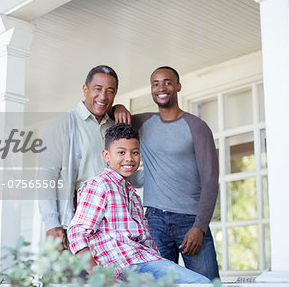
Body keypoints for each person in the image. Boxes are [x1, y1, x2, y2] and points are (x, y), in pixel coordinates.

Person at [67, 123, 211, 284]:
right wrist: (99, 276)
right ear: (106, 156)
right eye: (121, 152)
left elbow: (147, 243)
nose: (129, 158)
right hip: (124, 264)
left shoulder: (133, 196)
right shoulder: (99, 185)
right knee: (201, 283)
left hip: (144, 260)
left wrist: (160, 262)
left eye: (134, 152)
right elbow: (77, 232)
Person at [127, 66, 220, 280]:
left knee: (206, 284)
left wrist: (200, 226)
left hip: (190, 221)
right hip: (154, 221)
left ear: (178, 86)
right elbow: (114, 117)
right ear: (151, 89)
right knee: (157, 284)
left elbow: (210, 181)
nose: (161, 88)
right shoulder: (142, 123)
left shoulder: (196, 126)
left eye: (168, 82)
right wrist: (121, 106)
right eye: (156, 83)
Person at [38, 65, 128, 250]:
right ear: (85, 89)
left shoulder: (114, 127)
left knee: (107, 278)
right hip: (74, 217)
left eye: (110, 91)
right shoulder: (63, 123)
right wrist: (51, 224)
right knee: (72, 277)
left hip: (110, 220)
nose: (103, 96)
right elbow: (46, 178)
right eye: (97, 88)